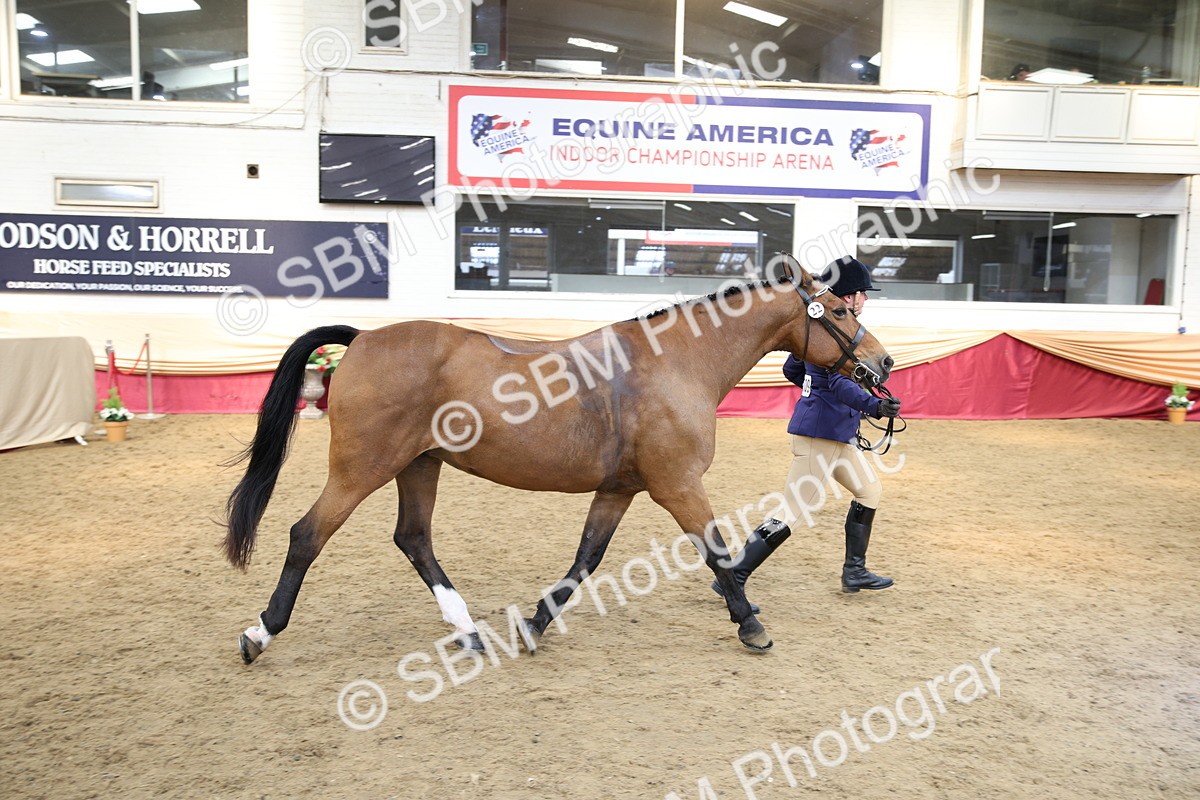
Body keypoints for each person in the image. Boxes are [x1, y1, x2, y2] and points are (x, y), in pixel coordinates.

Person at [713, 255, 902, 608]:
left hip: (835, 433)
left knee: (869, 491)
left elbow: (793, 369)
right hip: (820, 437)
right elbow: (834, 382)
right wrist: (871, 406)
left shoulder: (832, 330)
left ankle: (854, 570)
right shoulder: (829, 332)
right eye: (863, 292)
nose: (866, 299)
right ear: (848, 295)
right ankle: (732, 579)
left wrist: (816, 393)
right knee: (792, 512)